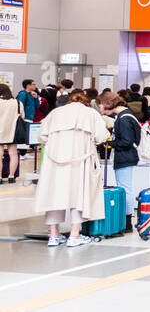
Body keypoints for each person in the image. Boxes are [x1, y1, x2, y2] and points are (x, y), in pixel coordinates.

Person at [34, 91, 112, 248]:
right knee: (79, 195)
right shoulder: (90, 113)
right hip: (80, 159)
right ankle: (74, 235)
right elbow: (102, 136)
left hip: (55, 161)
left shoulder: (55, 113)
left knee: (54, 195)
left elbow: (41, 136)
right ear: (85, 102)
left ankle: (54, 235)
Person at [100, 92, 142, 207]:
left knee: (125, 189)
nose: (101, 109)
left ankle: (127, 220)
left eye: (101, 105)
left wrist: (109, 143)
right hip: (126, 156)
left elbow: (126, 141)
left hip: (125, 157)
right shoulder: (125, 115)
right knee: (124, 187)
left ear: (108, 104)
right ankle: (126, 218)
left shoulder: (123, 119)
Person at [0, 84, 19, 182]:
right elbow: (22, 115)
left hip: (0, 131)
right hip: (12, 131)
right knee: (13, 153)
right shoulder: (17, 102)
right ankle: (11, 177)